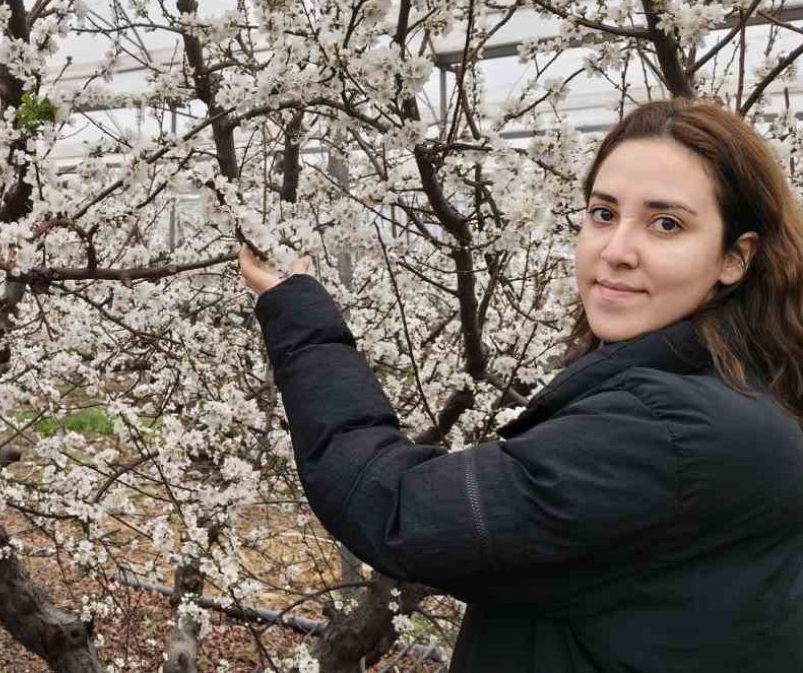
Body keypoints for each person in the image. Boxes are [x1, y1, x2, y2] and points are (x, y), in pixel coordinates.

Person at [240, 98, 803, 672]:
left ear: (735, 257)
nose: (615, 252)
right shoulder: (747, 389)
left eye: (666, 224)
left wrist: (297, 313)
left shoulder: (672, 434)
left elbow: (395, 510)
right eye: (603, 214)